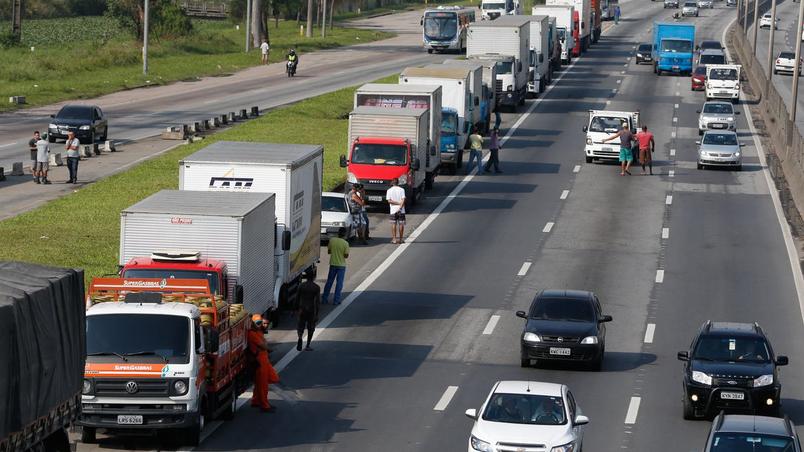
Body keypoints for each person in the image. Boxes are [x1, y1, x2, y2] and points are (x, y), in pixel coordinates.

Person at [247, 314, 279, 412]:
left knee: (271, 378)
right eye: (258, 323)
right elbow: (262, 345)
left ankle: (256, 401)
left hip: (264, 359)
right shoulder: (252, 333)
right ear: (253, 323)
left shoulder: (259, 331)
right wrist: (269, 349)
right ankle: (265, 405)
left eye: (262, 323)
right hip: (259, 361)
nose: (261, 325)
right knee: (263, 384)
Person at [322, 227, 349, 305]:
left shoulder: (332, 240)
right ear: (345, 234)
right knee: (339, 283)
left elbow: (329, 251)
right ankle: (336, 300)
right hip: (341, 265)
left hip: (333, 264)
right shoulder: (345, 243)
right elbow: (346, 255)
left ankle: (324, 298)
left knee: (329, 282)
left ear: (338, 233)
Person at [296, 271, 320, 351]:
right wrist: (316, 314)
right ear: (313, 277)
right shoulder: (316, 287)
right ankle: (308, 345)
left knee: (300, 326)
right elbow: (317, 302)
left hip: (302, 309)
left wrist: (294, 309)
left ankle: (300, 338)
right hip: (311, 310)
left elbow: (297, 298)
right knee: (311, 328)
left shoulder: (301, 286)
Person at [386, 178, 406, 244]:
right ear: (398, 182)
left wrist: (397, 203)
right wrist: (400, 206)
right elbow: (403, 199)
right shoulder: (402, 189)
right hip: (401, 210)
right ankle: (400, 239)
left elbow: (389, 201)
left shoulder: (389, 190)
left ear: (392, 183)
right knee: (401, 224)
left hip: (393, 210)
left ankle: (394, 239)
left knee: (393, 224)